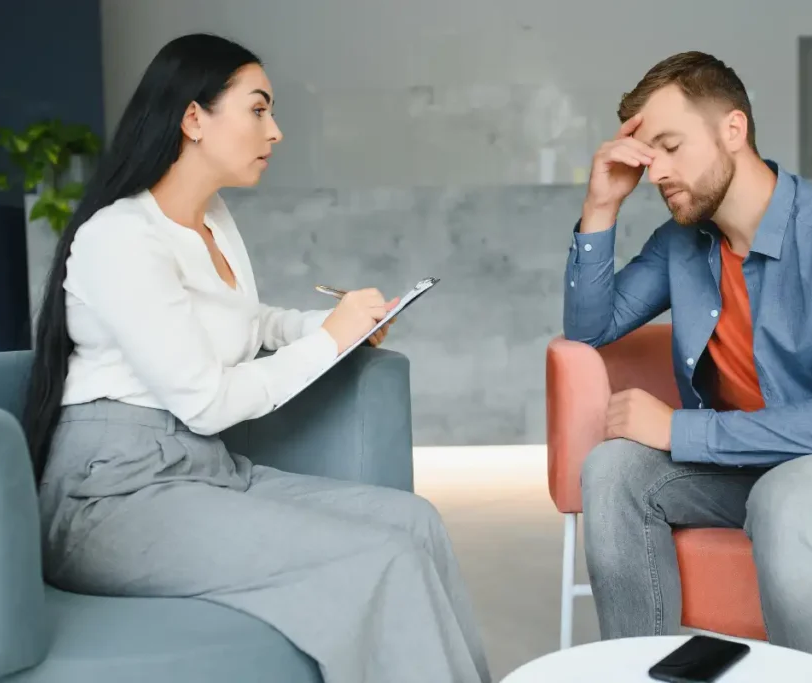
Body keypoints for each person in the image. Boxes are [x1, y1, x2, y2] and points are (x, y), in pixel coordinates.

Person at [25, 33, 491, 683]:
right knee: (380, 555)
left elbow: (249, 324)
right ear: (194, 118)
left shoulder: (212, 221)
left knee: (414, 522)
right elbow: (206, 399)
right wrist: (328, 341)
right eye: (258, 109)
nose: (274, 132)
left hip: (204, 470)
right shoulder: (119, 237)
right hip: (112, 493)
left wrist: (337, 325)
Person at [564, 50, 812, 669]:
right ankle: (637, 675)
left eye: (671, 145)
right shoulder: (681, 244)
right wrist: (602, 206)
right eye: (648, 155)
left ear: (733, 129)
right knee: (612, 469)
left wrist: (678, 429)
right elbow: (590, 327)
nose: (658, 172)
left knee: (788, 496)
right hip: (757, 465)